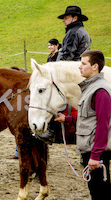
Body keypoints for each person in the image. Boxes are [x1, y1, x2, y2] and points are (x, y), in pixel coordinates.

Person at [53, 50, 111, 199]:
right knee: (95, 190)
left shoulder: (100, 91)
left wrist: (96, 156)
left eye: (84, 64)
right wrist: (67, 119)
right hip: (91, 149)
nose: (80, 67)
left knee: (100, 192)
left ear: (95, 67)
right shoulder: (90, 87)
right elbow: (89, 116)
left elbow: (103, 124)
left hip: (96, 152)